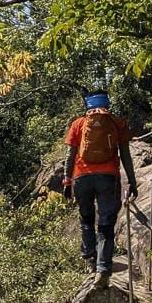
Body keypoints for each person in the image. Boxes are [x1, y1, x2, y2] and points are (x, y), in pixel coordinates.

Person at [61, 91, 138, 288]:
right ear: (107, 103)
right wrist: (132, 181)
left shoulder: (78, 124)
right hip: (108, 177)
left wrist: (67, 181)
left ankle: (90, 260)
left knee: (86, 219)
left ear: (87, 105)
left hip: (81, 177)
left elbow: (70, 156)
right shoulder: (116, 122)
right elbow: (126, 155)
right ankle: (103, 270)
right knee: (105, 225)